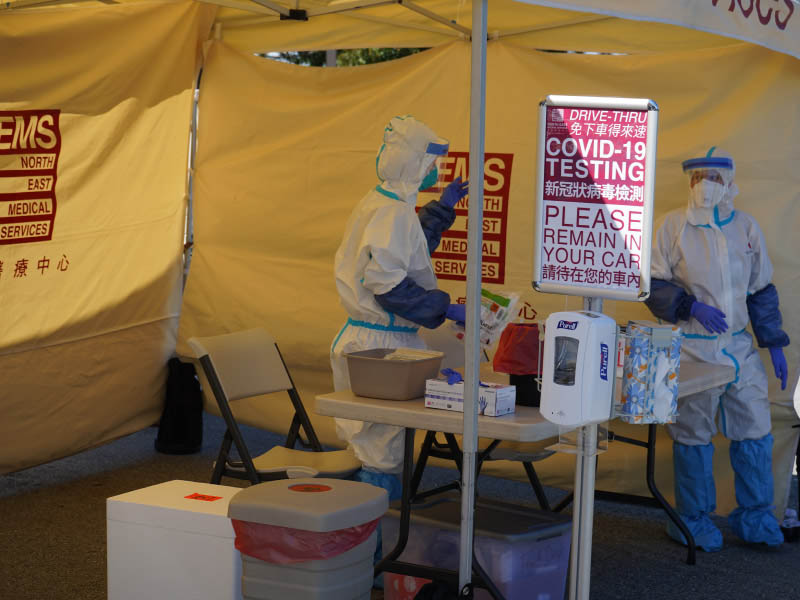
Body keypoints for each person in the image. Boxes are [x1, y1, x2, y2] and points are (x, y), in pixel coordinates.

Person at [644, 147, 790, 551]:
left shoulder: (745, 228)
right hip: (693, 350)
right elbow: (650, 285)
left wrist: (774, 344)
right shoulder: (671, 227)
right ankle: (691, 520)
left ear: (729, 184)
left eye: (714, 178)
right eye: (697, 178)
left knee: (755, 430)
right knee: (692, 435)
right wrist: (691, 306)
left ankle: (756, 518)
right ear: (689, 182)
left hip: (739, 349)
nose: (704, 186)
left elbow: (761, 290)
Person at [330, 115, 468, 497]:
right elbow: (387, 285)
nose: (435, 171)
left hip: (379, 344)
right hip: (379, 349)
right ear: (415, 163)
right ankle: (372, 537)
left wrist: (442, 207)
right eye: (431, 163)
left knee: (377, 446)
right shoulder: (390, 211)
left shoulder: (388, 203)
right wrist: (446, 310)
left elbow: (408, 251)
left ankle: (370, 531)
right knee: (380, 451)